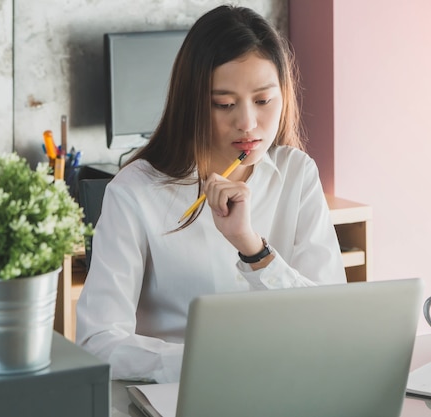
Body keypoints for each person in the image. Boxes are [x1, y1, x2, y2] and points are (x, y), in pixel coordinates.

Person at [76, 5, 346, 383]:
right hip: (180, 394)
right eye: (224, 104)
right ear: (192, 103)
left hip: (287, 389)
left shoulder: (297, 173)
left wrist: (254, 250)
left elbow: (333, 320)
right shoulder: (134, 191)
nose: (248, 123)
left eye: (264, 100)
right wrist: (206, 364)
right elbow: (97, 341)